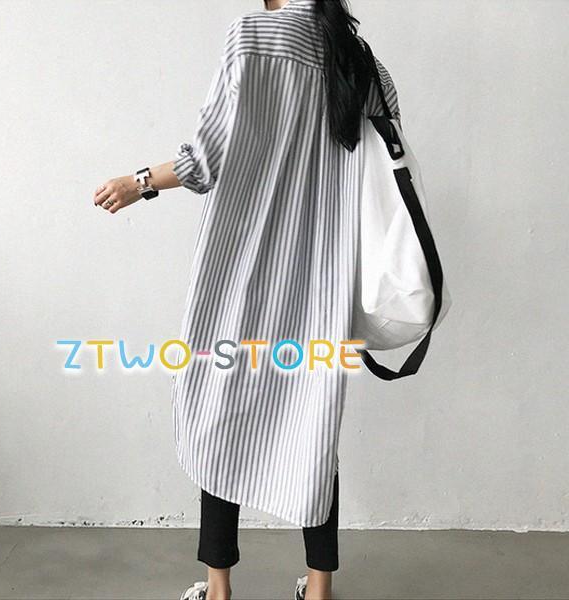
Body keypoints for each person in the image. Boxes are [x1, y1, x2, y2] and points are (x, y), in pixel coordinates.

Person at [93, 0, 401, 598]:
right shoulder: (361, 62)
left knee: (221, 412)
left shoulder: (252, 36)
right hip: (323, 276)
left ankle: (219, 588)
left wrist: (139, 182)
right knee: (312, 422)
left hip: (242, 267)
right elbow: (386, 157)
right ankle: (318, 590)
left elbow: (207, 159)